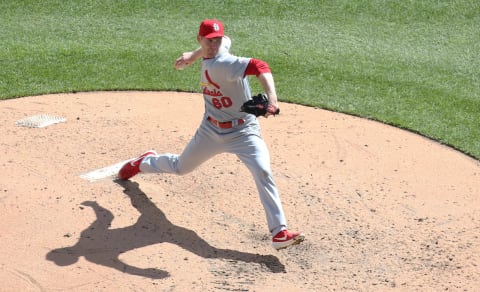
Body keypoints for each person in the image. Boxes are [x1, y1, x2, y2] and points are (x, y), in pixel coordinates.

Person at [118, 19, 304, 250]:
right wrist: (194, 56)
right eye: (209, 40)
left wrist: (273, 101)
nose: (214, 44)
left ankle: (279, 232)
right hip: (211, 130)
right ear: (200, 39)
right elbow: (223, 43)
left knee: (263, 171)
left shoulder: (224, 62)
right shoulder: (213, 56)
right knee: (180, 167)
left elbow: (260, 66)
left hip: (244, 132)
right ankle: (143, 162)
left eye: (217, 40)